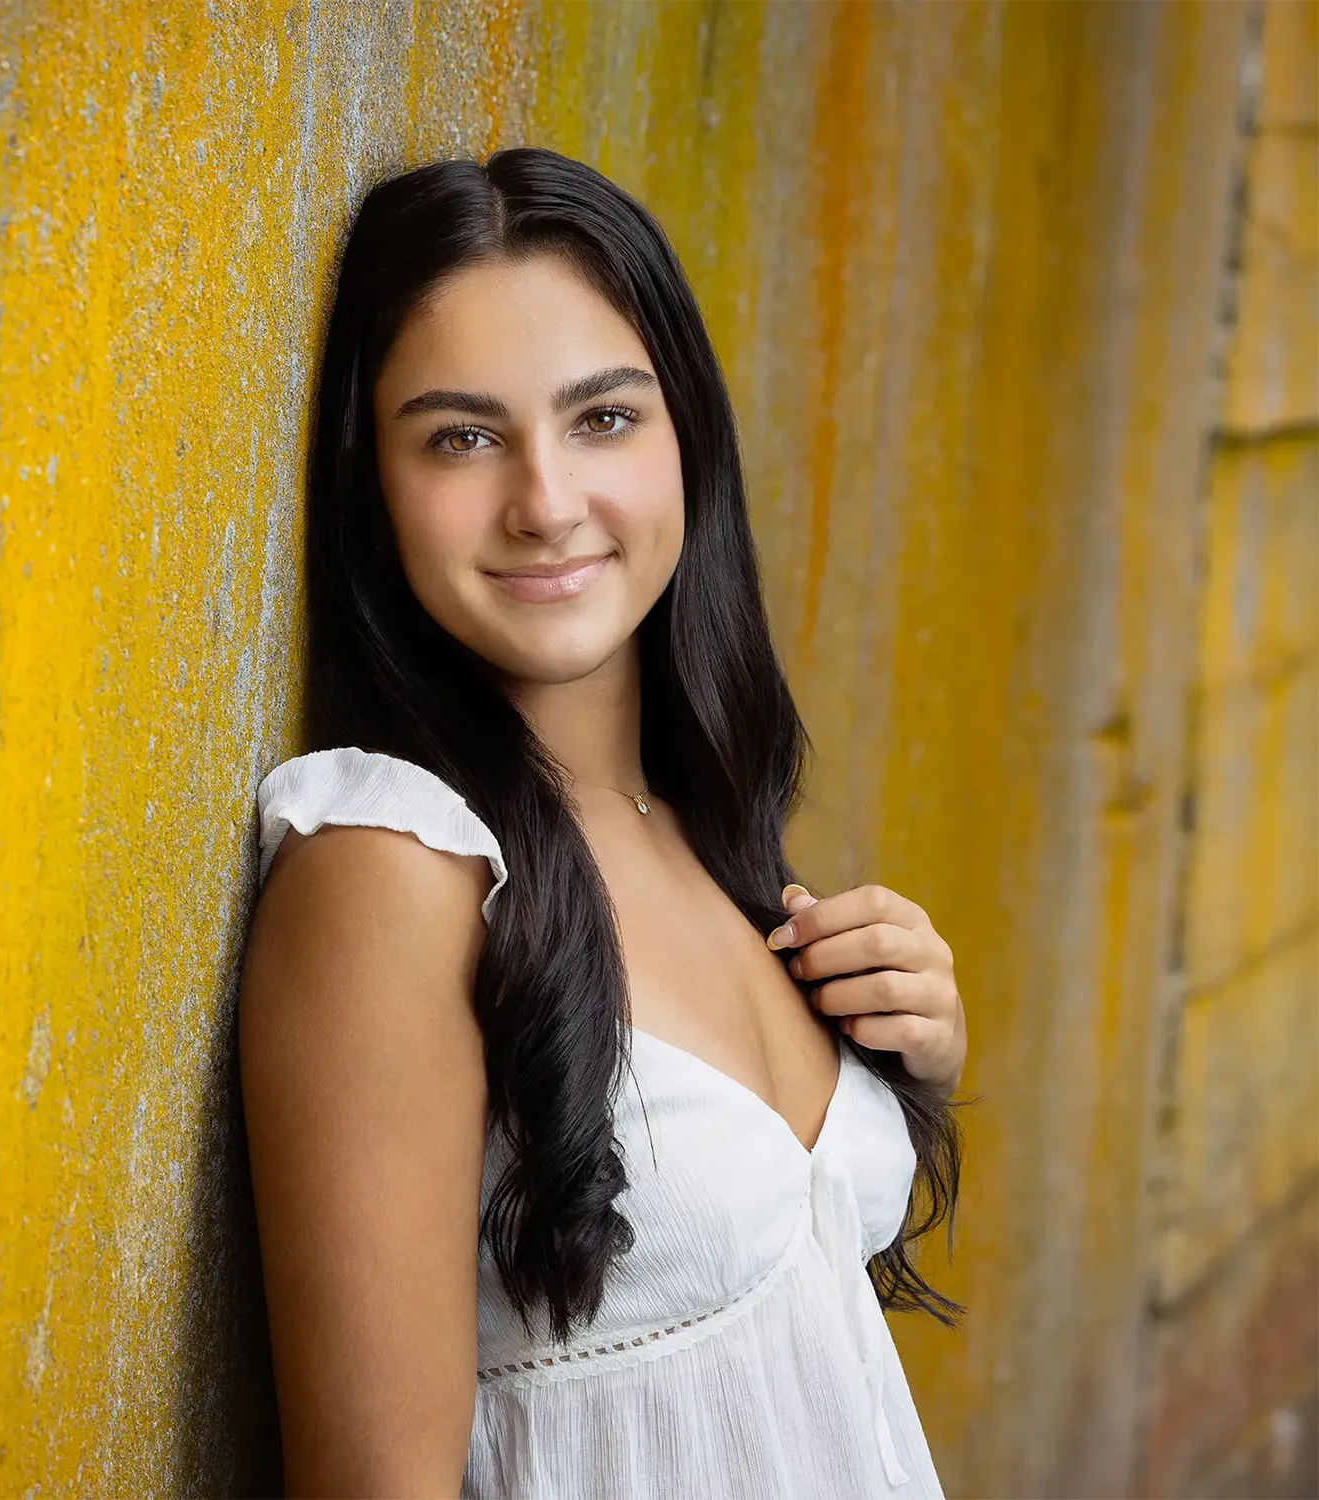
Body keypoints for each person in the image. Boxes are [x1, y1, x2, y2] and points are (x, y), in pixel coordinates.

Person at [238, 145, 969, 1500]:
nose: (546, 503)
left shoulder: (708, 838)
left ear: (686, 429)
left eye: (603, 419)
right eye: (461, 438)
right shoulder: (398, 872)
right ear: (369, 483)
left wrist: (897, 1050)